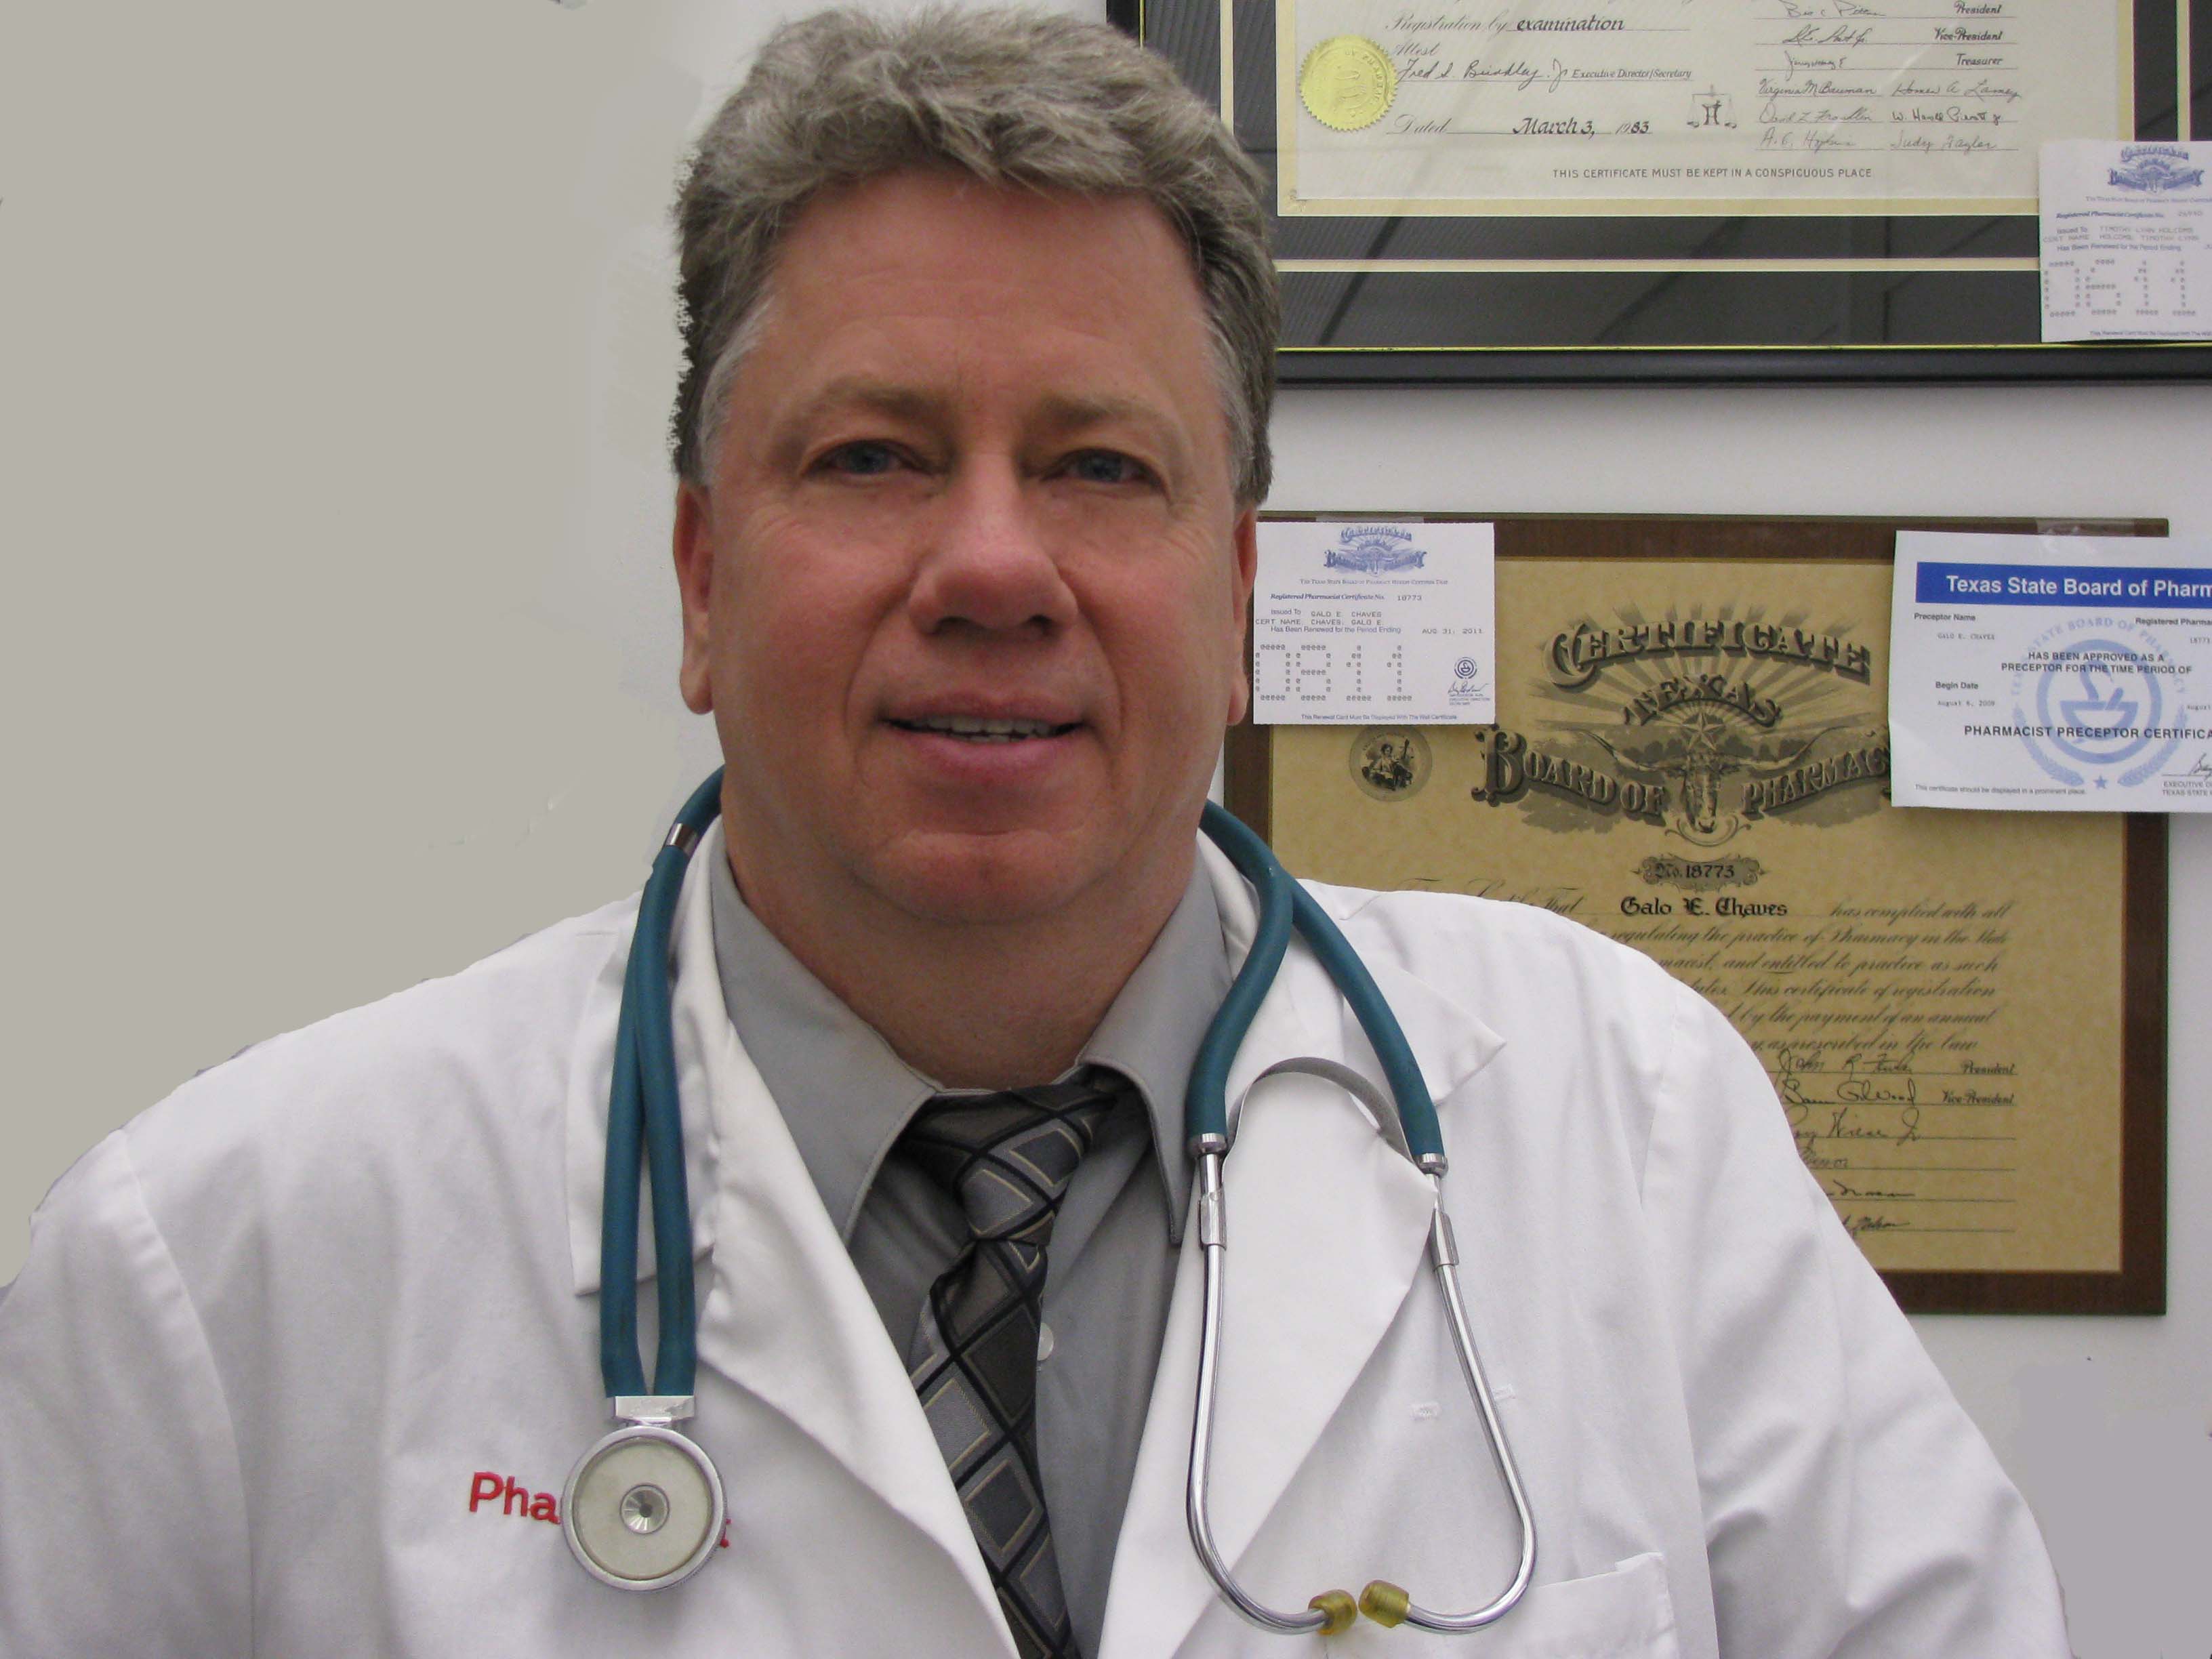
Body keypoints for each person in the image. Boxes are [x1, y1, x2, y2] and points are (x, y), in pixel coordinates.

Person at [0, 8, 2070, 1656]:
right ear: (704, 580)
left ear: (1236, 598)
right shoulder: (226, 1269)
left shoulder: (1635, 1126)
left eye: (1097, 468)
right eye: (875, 457)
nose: (994, 566)